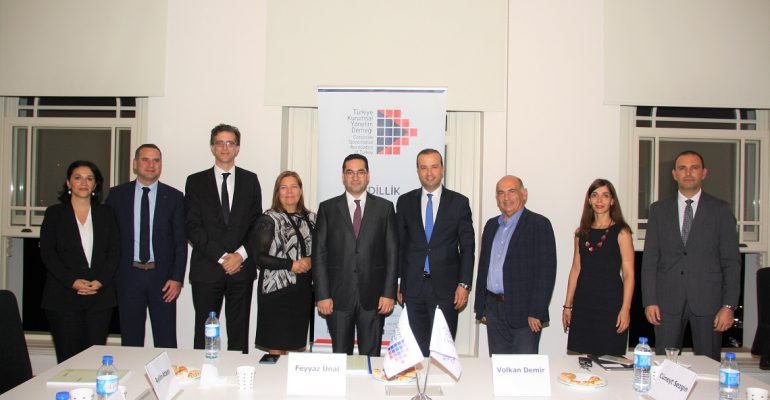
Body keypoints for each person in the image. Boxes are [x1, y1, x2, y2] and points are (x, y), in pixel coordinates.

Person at [642, 150, 740, 361]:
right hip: (667, 303)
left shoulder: (721, 210)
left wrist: (728, 306)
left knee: (709, 365)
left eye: (694, 168)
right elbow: (650, 260)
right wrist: (649, 301)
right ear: (674, 174)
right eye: (682, 168)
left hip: (709, 303)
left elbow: (731, 263)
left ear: (703, 173)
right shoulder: (658, 210)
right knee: (665, 365)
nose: (688, 173)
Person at [185, 123, 262, 353]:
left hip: (241, 269)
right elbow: (192, 227)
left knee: (239, 334)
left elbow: (257, 225)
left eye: (230, 143)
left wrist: (239, 256)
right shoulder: (195, 181)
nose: (225, 147)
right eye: (220, 143)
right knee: (204, 333)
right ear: (212, 147)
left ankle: (238, 375)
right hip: (207, 269)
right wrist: (222, 257)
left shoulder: (250, 180)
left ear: (237, 148)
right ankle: (204, 373)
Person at [312, 154, 398, 356]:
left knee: (371, 357)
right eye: (350, 172)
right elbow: (319, 254)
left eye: (360, 172)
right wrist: (322, 295)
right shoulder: (327, 209)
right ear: (343, 176)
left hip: (374, 298)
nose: (355, 177)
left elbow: (392, 253)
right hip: (338, 298)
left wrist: (389, 293)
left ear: (368, 175)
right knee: (341, 357)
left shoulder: (385, 208)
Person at [105, 144, 187, 348]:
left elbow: (180, 242)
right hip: (128, 277)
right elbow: (108, 239)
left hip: (163, 279)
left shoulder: (174, 197)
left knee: (166, 339)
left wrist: (177, 278)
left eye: (156, 160)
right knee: (131, 340)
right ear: (135, 164)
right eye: (145, 159)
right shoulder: (117, 195)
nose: (151, 165)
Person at [396, 148, 475, 356]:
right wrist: (399, 281)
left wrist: (464, 284)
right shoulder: (405, 202)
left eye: (434, 167)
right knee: (415, 351)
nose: (429, 173)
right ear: (418, 171)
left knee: (442, 352)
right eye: (424, 168)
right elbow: (400, 245)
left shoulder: (459, 203)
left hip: (446, 290)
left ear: (442, 169)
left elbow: (468, 248)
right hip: (413, 289)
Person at [40, 161, 119, 363]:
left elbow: (115, 252)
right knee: (68, 359)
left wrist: (100, 280)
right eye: (78, 177)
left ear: (95, 185)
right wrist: (72, 281)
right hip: (63, 295)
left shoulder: (106, 213)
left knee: (94, 359)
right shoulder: (54, 214)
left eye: (89, 178)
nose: (84, 183)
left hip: (99, 296)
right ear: (68, 183)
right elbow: (48, 254)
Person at [474, 175, 556, 355]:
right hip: (493, 310)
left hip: (525, 313)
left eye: (512, 191)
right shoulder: (491, 226)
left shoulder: (539, 224)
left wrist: (537, 312)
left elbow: (546, 272)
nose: (506, 197)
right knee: (499, 366)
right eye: (501, 193)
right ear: (497, 198)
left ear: (524, 194)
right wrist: (482, 307)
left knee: (523, 368)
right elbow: (484, 267)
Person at [562, 179, 634, 356]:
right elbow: (576, 269)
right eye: (595, 195)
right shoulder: (581, 233)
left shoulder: (622, 232)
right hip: (584, 304)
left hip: (611, 305)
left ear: (612, 200)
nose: (599, 200)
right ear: (589, 200)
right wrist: (567, 306)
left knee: (610, 359)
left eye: (605, 195)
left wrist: (625, 309)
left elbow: (629, 274)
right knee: (583, 362)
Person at [254, 171, 315, 354]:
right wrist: (291, 265)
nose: (289, 192)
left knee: (295, 348)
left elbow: (322, 251)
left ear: (300, 190)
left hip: (302, 292)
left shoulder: (312, 218)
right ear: (277, 192)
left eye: (294, 187)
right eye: (284, 187)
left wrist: (311, 260)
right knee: (276, 348)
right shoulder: (268, 219)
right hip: (276, 292)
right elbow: (259, 257)